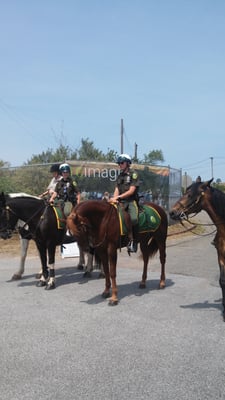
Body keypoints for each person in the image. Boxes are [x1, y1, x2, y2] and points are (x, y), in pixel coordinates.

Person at [110, 153, 140, 253]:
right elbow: (117, 189)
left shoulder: (133, 174)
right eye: (119, 163)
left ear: (127, 163)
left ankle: (134, 241)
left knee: (134, 219)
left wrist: (118, 197)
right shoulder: (120, 176)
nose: (120, 165)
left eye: (121, 163)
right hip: (121, 202)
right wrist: (113, 198)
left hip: (131, 201)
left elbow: (131, 191)